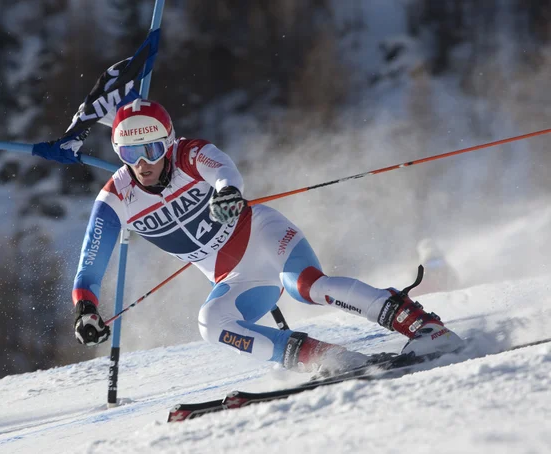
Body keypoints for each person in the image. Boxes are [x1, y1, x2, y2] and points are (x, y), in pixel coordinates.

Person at [72, 98, 464, 374]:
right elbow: (89, 270)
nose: (143, 163)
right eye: (129, 153)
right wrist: (85, 309)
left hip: (262, 235)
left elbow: (224, 171)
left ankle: (422, 326)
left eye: (153, 148)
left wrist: (227, 193)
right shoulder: (116, 197)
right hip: (237, 279)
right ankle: (321, 357)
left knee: (305, 286)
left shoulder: (190, 155)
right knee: (211, 322)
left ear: (169, 142)